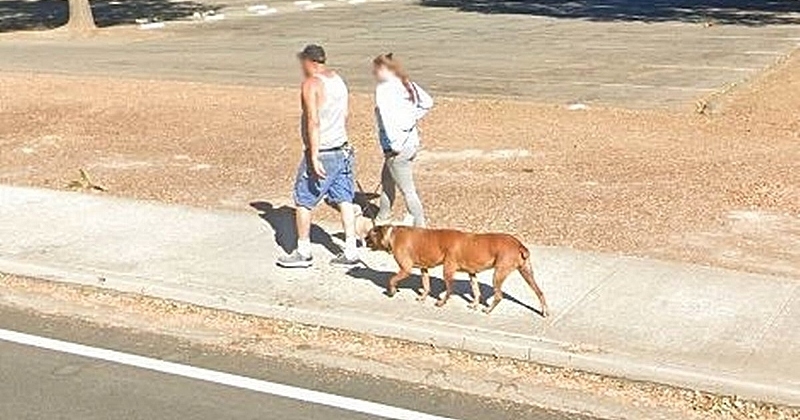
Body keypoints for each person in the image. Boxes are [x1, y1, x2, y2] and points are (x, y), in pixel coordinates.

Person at [277, 44, 360, 268]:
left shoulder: (311, 84)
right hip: (342, 147)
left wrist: (313, 155)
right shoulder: (337, 80)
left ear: (309, 61)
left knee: (304, 200)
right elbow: (345, 113)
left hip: (323, 150)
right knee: (344, 199)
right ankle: (351, 249)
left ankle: (303, 251)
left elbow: (313, 120)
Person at [372, 53, 433, 227]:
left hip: (396, 147)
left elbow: (386, 119)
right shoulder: (407, 83)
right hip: (411, 142)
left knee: (408, 190)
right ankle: (382, 217)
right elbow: (427, 102)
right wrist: (411, 119)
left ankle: (421, 227)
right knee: (387, 180)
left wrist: (393, 145)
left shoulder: (384, 89)